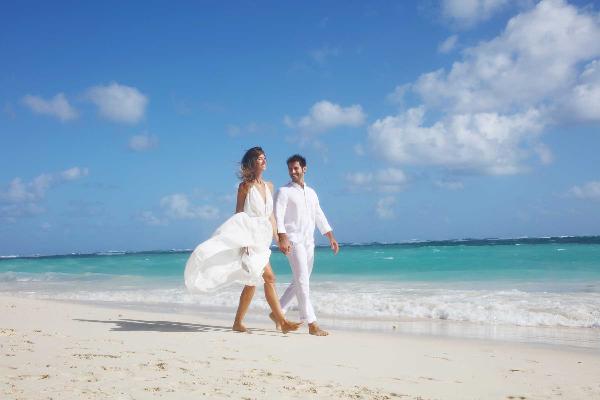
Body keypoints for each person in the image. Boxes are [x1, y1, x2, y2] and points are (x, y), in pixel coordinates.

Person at [184, 147, 301, 334]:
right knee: (269, 277)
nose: (263, 161)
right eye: (259, 159)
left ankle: (238, 322)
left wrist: (279, 240)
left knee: (252, 281)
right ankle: (282, 321)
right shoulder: (245, 187)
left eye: (264, 158)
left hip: (262, 239)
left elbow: (270, 217)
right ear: (252, 163)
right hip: (248, 239)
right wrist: (243, 242)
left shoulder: (269, 186)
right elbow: (238, 215)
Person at [273, 154, 339, 336]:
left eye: (296, 168)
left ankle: (277, 312)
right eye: (290, 169)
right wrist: (282, 238)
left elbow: (319, 215)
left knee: (300, 281)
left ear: (304, 169)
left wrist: (330, 237)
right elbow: (277, 216)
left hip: (309, 241)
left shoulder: (311, 193)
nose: (293, 172)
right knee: (302, 281)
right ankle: (312, 323)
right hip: (292, 241)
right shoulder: (283, 191)